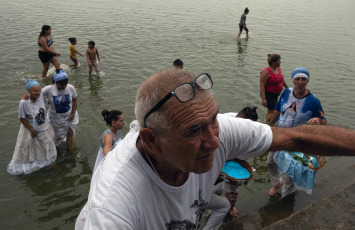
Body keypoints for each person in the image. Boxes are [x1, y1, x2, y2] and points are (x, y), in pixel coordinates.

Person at [75, 69, 355, 230]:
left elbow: (296, 138)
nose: (214, 141)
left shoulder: (221, 129)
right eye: (193, 131)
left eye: (213, 120)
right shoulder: (113, 204)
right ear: (151, 141)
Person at [267, 67, 327, 197]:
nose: (300, 82)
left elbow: (323, 121)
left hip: (297, 141)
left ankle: (285, 199)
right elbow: (278, 110)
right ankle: (277, 182)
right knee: (270, 162)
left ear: (307, 81)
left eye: (303, 79)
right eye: (297, 79)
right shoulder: (286, 93)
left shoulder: (314, 101)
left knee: (290, 174)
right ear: (293, 80)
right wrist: (270, 125)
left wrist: (318, 119)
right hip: (279, 135)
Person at [205, 106, 258, 228]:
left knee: (232, 187)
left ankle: (229, 206)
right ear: (238, 117)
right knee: (216, 188)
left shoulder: (250, 130)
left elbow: (247, 150)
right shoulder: (221, 122)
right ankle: (210, 205)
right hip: (217, 157)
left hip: (232, 160)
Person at [7, 79, 57, 175]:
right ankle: (35, 164)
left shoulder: (41, 97)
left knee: (47, 145)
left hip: (44, 127)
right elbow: (22, 118)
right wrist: (31, 130)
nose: (38, 92)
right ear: (29, 91)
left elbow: (47, 102)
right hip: (31, 129)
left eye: (39, 90)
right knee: (31, 148)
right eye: (35, 91)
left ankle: (50, 162)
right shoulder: (23, 103)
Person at [42, 70, 79, 153]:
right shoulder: (49, 89)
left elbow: (75, 101)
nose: (64, 86)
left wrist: (73, 114)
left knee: (70, 133)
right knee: (54, 136)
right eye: (61, 84)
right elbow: (37, 95)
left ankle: (71, 150)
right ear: (55, 83)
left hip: (69, 116)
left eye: (65, 84)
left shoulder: (70, 88)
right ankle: (52, 153)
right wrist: (27, 96)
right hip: (55, 117)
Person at [260, 54, 288, 123]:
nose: (280, 62)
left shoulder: (278, 69)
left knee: (270, 110)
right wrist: (264, 99)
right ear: (273, 63)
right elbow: (262, 85)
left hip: (275, 94)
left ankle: (266, 122)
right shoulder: (266, 72)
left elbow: (281, 80)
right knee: (276, 111)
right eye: (278, 61)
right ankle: (267, 124)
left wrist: (287, 88)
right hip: (268, 95)